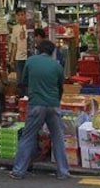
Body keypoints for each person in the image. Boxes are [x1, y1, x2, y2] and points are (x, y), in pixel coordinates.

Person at [10, 39, 70, 180]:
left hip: (36, 103)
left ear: (38, 49)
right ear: (52, 52)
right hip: (53, 104)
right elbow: (61, 87)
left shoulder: (30, 61)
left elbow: (23, 82)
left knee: (28, 136)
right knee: (58, 137)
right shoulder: (57, 66)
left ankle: (18, 171)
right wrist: (56, 101)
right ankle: (63, 171)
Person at [8, 8, 28, 96]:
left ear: (26, 15)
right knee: (20, 80)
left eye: (22, 15)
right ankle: (21, 97)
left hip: (29, 57)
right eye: (18, 15)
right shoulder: (15, 28)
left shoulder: (30, 27)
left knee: (29, 78)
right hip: (19, 57)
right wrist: (12, 59)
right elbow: (14, 45)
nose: (20, 17)